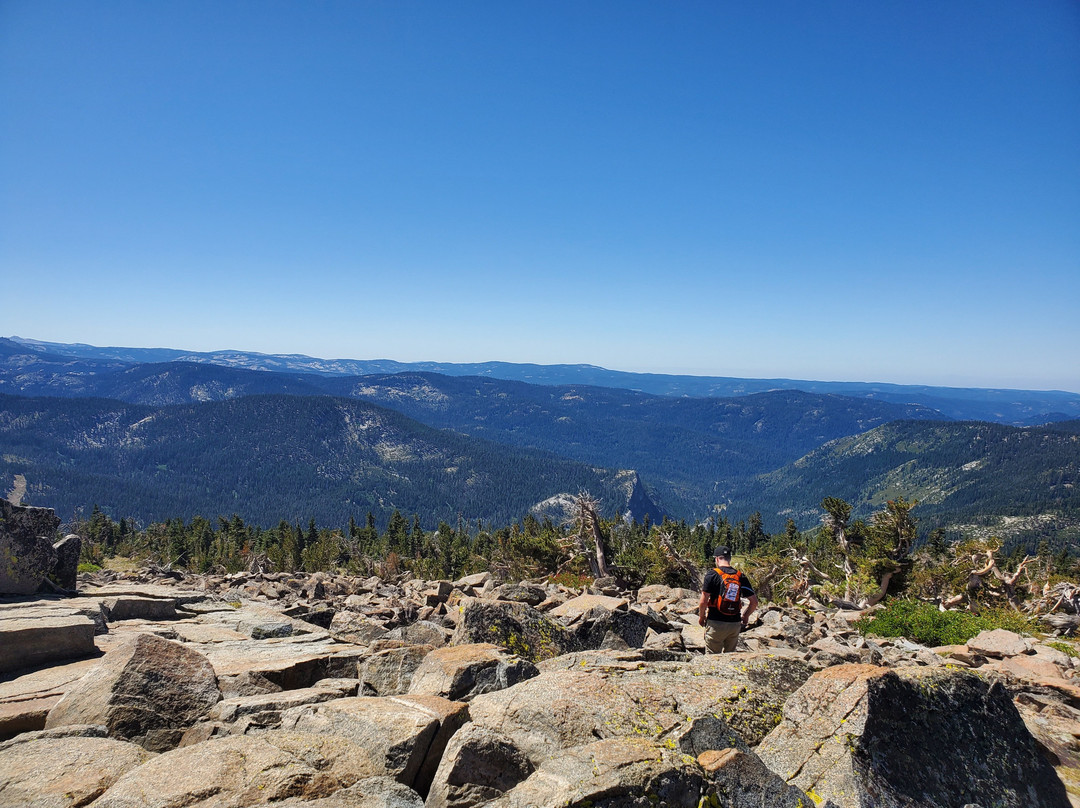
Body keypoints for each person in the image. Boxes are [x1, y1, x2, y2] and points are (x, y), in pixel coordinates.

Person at [697, 545, 758, 653]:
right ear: (730, 559)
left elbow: (703, 601)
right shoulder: (740, 576)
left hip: (715, 623)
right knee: (729, 659)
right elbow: (754, 602)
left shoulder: (712, 575)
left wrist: (701, 617)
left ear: (716, 559)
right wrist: (745, 616)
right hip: (734, 624)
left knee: (712, 659)